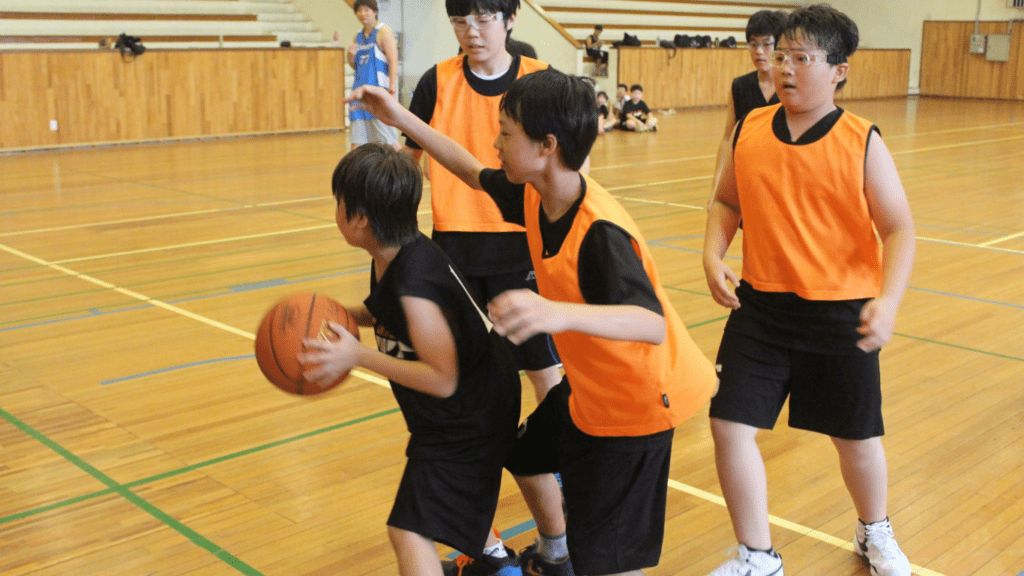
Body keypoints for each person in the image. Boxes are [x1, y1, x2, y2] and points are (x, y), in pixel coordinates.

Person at [347, 67, 718, 576]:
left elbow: (649, 323)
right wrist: (400, 117)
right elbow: (468, 169)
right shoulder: (536, 193)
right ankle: (555, 555)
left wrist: (552, 312)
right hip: (591, 389)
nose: (495, 144)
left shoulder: (599, 232)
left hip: (638, 405)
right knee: (524, 454)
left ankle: (578, 560)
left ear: (546, 145)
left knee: (607, 560)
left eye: (505, 133)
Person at [701, 5, 916, 576]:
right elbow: (727, 201)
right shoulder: (750, 128)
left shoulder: (860, 140)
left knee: (855, 439)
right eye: (781, 56)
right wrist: (713, 252)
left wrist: (887, 302)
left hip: (840, 312)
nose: (786, 68)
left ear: (838, 71)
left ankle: (875, 530)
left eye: (802, 58)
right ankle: (756, 553)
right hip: (762, 308)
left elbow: (899, 229)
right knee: (729, 424)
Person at [298, 144, 522, 576]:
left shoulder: (415, 282)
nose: (337, 210)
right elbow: (389, 313)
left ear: (359, 218)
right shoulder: (394, 253)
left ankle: (499, 563)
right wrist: (343, 315)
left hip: (470, 416)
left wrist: (358, 355)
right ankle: (497, 564)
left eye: (339, 202)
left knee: (408, 531)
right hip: (466, 407)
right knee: (438, 502)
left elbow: (441, 378)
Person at [402, 0, 562, 409]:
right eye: (459, 21)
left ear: (509, 20)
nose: (470, 31)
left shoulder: (540, 79)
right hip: (455, 244)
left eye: (483, 19)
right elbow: (408, 162)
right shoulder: (435, 82)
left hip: (522, 241)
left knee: (543, 367)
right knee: (467, 364)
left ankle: (558, 459)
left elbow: (569, 165)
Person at [710, 9, 788, 197]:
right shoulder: (740, 86)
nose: (759, 52)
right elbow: (728, 138)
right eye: (753, 44)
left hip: (783, 180)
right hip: (749, 178)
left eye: (766, 44)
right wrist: (716, 187)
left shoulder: (792, 86)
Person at [347, 0, 400, 150]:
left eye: (366, 10)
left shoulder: (383, 31)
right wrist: (350, 55)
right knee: (357, 142)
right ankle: (355, 173)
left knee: (388, 140)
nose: (363, 14)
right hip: (359, 93)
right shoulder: (357, 36)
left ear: (375, 11)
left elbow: (393, 61)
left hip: (378, 92)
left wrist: (391, 89)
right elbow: (355, 65)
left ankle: (408, 170)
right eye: (359, 11)